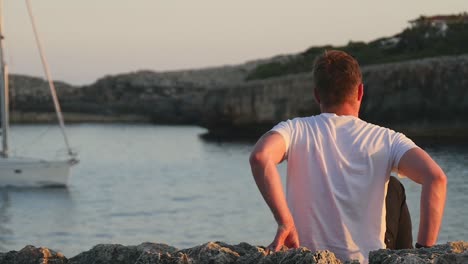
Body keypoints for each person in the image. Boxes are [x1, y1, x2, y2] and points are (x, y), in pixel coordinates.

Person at [249, 50, 447, 263]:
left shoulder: (296, 129)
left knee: (394, 188)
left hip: (308, 258)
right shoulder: (387, 139)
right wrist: (424, 252)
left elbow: (260, 157)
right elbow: (435, 178)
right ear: (360, 91)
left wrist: (285, 222)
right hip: (367, 259)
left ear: (317, 95)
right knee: (395, 188)